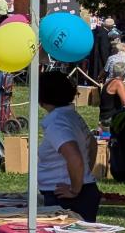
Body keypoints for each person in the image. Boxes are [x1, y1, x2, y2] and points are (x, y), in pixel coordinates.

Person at [36, 71, 100, 222]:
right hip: (80, 191)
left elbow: (74, 156)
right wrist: (84, 175)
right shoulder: (70, 115)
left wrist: (75, 189)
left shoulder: (57, 122)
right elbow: (92, 144)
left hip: (66, 198)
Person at [100, 63, 125, 128]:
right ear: (124, 73)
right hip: (111, 118)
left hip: (103, 117)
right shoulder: (118, 83)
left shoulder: (108, 82)